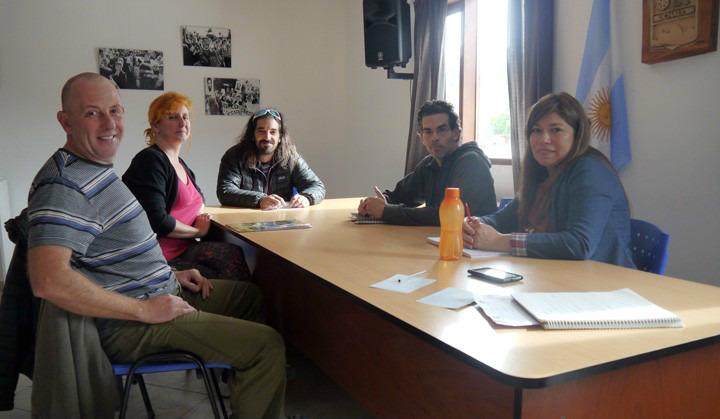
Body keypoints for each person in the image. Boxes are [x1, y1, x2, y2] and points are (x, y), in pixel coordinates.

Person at [26, 73, 285, 418]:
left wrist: (171, 275)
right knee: (266, 346)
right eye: (92, 113)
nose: (109, 124)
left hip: (161, 288)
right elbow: (48, 280)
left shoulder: (93, 168)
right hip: (130, 322)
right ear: (66, 121)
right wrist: (144, 310)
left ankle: (246, 394)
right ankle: (254, 374)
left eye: (115, 111)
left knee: (249, 297)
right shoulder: (64, 185)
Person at [462, 92, 636, 268]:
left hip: (604, 279)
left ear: (577, 134)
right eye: (537, 130)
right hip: (554, 275)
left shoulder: (591, 169)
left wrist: (500, 241)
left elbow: (580, 244)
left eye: (556, 130)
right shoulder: (541, 172)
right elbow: (502, 220)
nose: (544, 139)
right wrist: (473, 225)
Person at [122, 92, 251, 281]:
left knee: (232, 254)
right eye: (172, 117)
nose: (182, 123)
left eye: (185, 117)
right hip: (161, 259)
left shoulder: (179, 163)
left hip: (185, 248)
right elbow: (158, 221)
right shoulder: (150, 161)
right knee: (226, 268)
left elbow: (198, 202)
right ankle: (238, 298)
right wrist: (198, 232)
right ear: (156, 125)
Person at [357, 100, 496, 226]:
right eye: (428, 132)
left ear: (456, 133)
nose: (434, 138)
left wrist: (386, 211)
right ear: (422, 138)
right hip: (436, 240)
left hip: (475, 244)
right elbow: (399, 196)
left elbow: (448, 215)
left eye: (441, 130)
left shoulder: (472, 162)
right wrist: (374, 204)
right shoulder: (430, 164)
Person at [217, 108, 326, 209]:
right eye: (261, 131)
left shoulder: (291, 158)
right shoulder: (234, 156)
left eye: (273, 132)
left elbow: (317, 186)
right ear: (252, 135)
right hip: (245, 219)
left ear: (280, 137)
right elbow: (225, 192)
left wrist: (307, 198)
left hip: (282, 220)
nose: (267, 137)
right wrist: (260, 200)